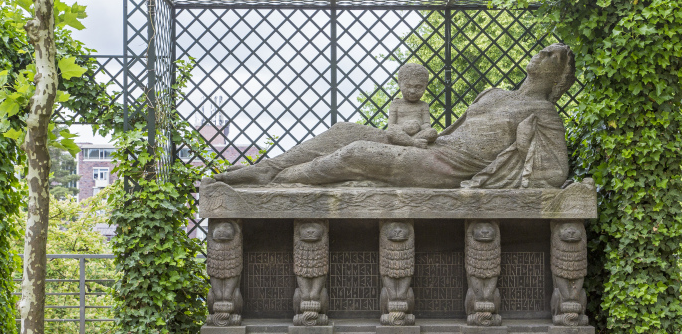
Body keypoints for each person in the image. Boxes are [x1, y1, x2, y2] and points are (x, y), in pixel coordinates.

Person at [214, 43, 575, 189]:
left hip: (452, 166)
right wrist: (422, 137)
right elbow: (453, 128)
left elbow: (555, 172)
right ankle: (266, 169)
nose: (543, 53)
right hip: (435, 146)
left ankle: (277, 183)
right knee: (344, 131)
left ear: (558, 76)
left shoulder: (543, 112)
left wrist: (521, 152)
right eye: (544, 50)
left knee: (356, 152)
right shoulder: (495, 93)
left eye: (553, 57)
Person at [385, 63, 438, 149]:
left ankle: (407, 141)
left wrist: (417, 127)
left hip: (418, 133)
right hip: (401, 132)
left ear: (425, 86)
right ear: (400, 84)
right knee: (390, 133)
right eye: (408, 86)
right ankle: (413, 142)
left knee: (432, 132)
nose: (412, 91)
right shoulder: (396, 104)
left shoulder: (423, 105)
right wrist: (404, 127)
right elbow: (391, 126)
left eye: (418, 87)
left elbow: (427, 125)